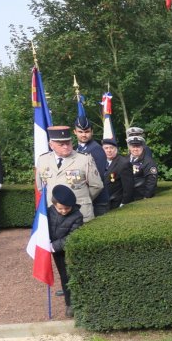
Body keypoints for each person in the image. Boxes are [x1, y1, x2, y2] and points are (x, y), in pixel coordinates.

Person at [35, 125, 103, 223]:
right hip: (53, 213)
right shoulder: (43, 160)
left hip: (80, 212)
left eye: (68, 143)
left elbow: (97, 185)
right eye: (61, 144)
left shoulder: (84, 159)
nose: (66, 147)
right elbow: (41, 187)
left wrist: (82, 200)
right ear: (51, 145)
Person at [48, 184, 84, 318]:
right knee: (64, 276)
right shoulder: (48, 211)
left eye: (67, 208)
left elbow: (72, 237)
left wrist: (53, 246)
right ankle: (69, 303)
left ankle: (73, 303)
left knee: (71, 276)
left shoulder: (77, 216)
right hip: (56, 252)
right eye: (60, 208)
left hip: (68, 251)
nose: (64, 211)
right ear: (54, 204)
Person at [73, 116, 109, 216]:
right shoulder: (75, 149)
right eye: (80, 132)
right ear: (75, 132)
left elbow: (97, 179)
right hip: (83, 199)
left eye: (87, 131)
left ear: (92, 132)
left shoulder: (96, 149)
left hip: (96, 201)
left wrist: (83, 198)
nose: (84, 135)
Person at [102, 138, 134, 208]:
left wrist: (124, 203)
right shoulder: (101, 162)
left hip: (116, 202)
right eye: (106, 148)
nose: (109, 150)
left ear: (116, 149)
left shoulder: (123, 163)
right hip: (105, 202)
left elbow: (128, 187)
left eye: (111, 148)